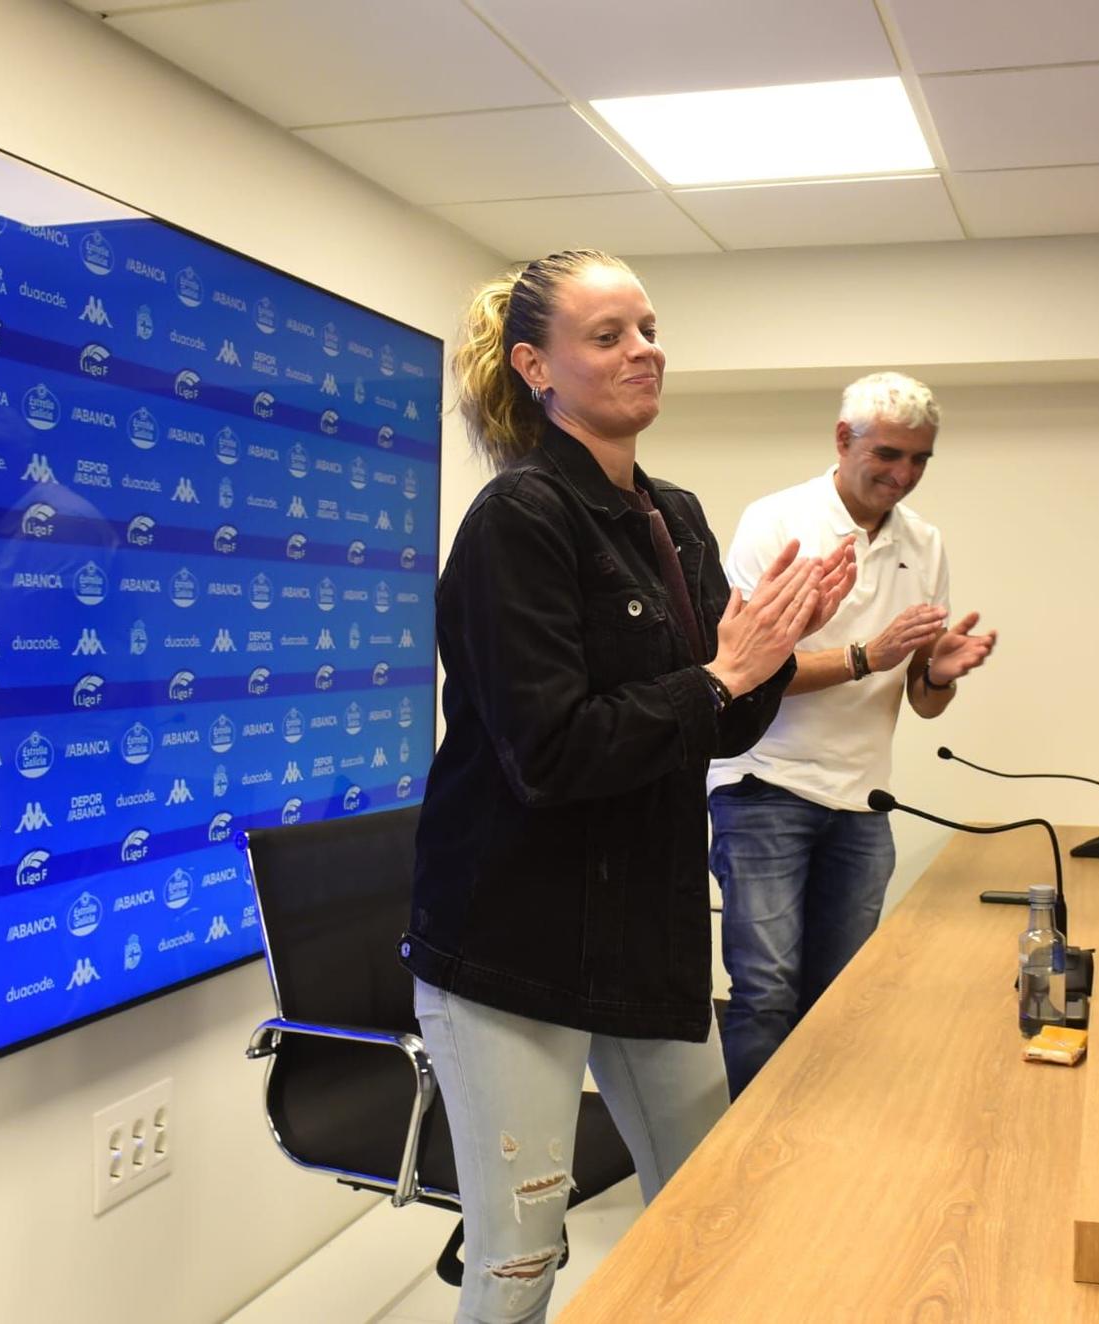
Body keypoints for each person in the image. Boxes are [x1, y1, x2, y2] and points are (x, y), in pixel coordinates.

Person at [400, 249, 855, 1323]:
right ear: (535, 367)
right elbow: (549, 753)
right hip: (508, 942)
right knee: (520, 1254)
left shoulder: (675, 516)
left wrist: (774, 647)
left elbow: (723, 718)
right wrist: (720, 674)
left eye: (647, 328)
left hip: (641, 932)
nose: (643, 350)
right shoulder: (518, 520)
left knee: (707, 1208)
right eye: (608, 335)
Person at [707, 372, 997, 1099]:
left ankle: (816, 1160)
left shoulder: (923, 543)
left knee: (843, 996)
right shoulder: (777, 523)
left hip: (863, 800)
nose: (904, 475)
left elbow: (922, 703)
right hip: (764, 785)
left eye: (921, 460)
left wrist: (941, 674)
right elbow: (748, 672)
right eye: (891, 455)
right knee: (766, 993)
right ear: (843, 440)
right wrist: (871, 653)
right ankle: (746, 1171)